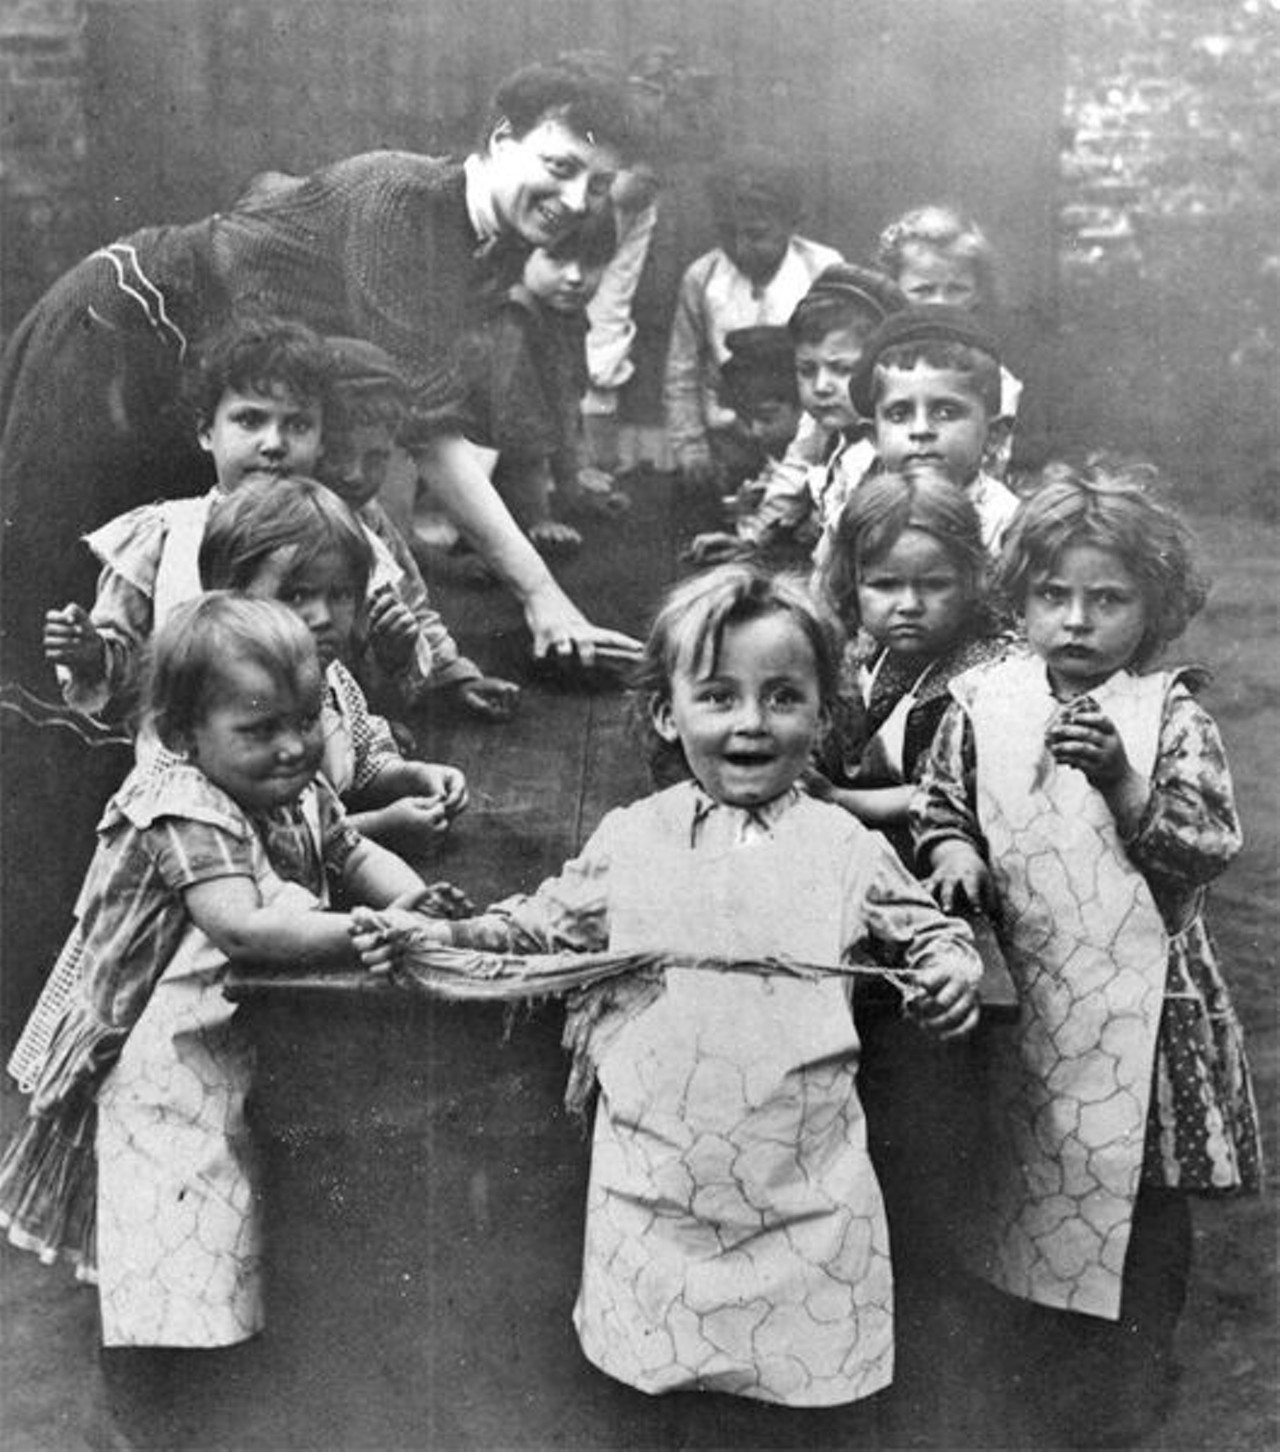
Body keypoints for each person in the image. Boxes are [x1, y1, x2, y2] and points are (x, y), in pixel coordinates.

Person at [375, 564, 983, 1430]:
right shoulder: (632, 841)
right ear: (667, 711)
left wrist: (950, 969)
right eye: (719, 696)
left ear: (821, 714)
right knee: (658, 1417)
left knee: (795, 1419)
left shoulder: (842, 845)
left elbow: (931, 933)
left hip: (803, 1202)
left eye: (782, 698)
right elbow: (534, 928)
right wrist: (437, 936)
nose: (750, 723)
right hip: (655, 1204)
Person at [0, 56, 641, 681]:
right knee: (71, 578)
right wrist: (540, 595)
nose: (578, 199)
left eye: (600, 183)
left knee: (191, 597)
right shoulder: (398, 199)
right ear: (503, 139)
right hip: (125, 325)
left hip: (216, 367)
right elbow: (429, 434)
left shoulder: (496, 240)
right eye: (561, 167)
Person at [0, 595, 424, 1423]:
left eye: (305, 722)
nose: (295, 746)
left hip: (231, 1036)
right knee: (172, 1232)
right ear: (188, 732)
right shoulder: (184, 806)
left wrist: (418, 902)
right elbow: (242, 923)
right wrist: (368, 929)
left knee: (238, 1222)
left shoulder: (291, 787)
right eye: (261, 729)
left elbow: (352, 849)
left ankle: (227, 1389)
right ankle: (146, 1412)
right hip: (158, 1059)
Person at [911, 461, 1262, 1446]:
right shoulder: (981, 701)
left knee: (1135, 1189)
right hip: (1029, 984)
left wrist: (1122, 785)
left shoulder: (1169, 717)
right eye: (1051, 596)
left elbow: (1203, 845)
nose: (1074, 620)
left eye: (1105, 600)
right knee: (1030, 1165)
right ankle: (1036, 1353)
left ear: (1151, 610)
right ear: (1015, 598)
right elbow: (942, 800)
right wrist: (950, 855)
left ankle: (1136, 1359)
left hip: (1139, 999)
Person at [42, 315, 429, 726]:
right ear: (206, 430)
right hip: (189, 764)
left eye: (297, 425)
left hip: (312, 758)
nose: (274, 444)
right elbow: (128, 669)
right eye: (250, 420)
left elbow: (362, 674)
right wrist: (91, 654)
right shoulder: (164, 537)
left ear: (321, 441)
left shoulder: (341, 538)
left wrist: (393, 652)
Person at [198, 477, 468, 856]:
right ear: (229, 597)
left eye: (340, 594)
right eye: (295, 595)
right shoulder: (230, 704)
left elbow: (359, 760)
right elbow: (257, 838)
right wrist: (378, 828)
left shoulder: (329, 676)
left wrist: (413, 777)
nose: (323, 616)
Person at [812, 467, 1012, 862]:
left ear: (971, 579)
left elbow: (948, 794)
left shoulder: (983, 676)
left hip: (946, 845)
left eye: (935, 585)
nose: (908, 606)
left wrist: (836, 798)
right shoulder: (861, 651)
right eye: (884, 585)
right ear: (854, 581)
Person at [320, 335, 521, 723]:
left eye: (375, 457)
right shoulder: (289, 523)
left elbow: (414, 604)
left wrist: (452, 676)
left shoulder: (369, 518)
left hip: (383, 690)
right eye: (337, 453)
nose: (354, 474)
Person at [686, 264, 903, 568]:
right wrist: (752, 541)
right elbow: (793, 475)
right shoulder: (818, 425)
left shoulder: (896, 441)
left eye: (841, 369)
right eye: (806, 370)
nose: (820, 387)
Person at [662, 147, 843, 495]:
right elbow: (682, 370)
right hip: (728, 444)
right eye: (728, 233)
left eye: (757, 234)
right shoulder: (702, 278)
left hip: (808, 439)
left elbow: (843, 361)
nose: (742, 247)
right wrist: (691, 449)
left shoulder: (823, 270)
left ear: (792, 223)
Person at [454, 209, 628, 559]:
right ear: (522, 254)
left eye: (592, 262)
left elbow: (565, 405)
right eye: (557, 259)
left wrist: (573, 484)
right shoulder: (512, 318)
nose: (576, 276)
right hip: (472, 462)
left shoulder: (565, 315)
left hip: (518, 461)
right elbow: (520, 429)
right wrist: (538, 517)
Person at [850, 304, 1020, 555]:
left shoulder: (1010, 527)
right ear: (874, 437)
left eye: (946, 412)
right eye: (899, 414)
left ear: (994, 434)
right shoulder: (861, 517)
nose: (921, 430)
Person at [873, 203, 1023, 473]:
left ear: (978, 293)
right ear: (892, 291)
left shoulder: (998, 377)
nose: (941, 305)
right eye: (923, 290)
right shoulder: (877, 366)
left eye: (957, 290)